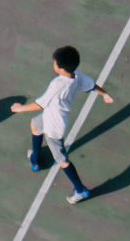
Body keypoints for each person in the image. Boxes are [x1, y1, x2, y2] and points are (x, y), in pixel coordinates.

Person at [10, 46, 114, 203]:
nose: (53, 63)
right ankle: (35, 160)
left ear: (60, 67)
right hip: (50, 115)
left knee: (62, 160)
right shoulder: (77, 76)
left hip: (54, 126)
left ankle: (80, 190)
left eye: (54, 62)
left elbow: (40, 104)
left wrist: (19, 108)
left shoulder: (57, 84)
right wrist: (104, 94)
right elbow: (92, 85)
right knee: (35, 125)